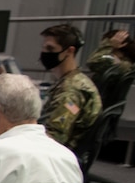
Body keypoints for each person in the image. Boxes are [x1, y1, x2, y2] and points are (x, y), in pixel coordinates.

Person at [37, 23, 100, 151]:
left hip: (56, 156)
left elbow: (53, 138)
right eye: (44, 48)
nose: (44, 53)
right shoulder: (76, 79)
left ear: (69, 51)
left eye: (50, 49)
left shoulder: (70, 92)